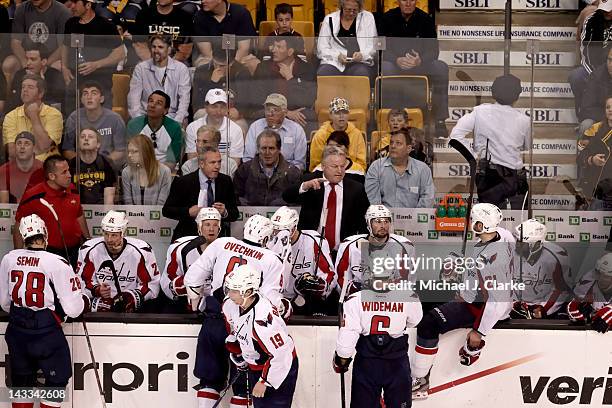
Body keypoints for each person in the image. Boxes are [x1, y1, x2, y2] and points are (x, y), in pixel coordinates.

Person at [411, 203, 514, 399]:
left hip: (480, 309)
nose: (470, 223)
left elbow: (496, 300)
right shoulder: (502, 235)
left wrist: (479, 332)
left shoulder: (493, 261)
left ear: (482, 225)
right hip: (478, 299)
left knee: (428, 323)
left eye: (474, 221)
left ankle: (420, 381)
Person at [183, 215, 285, 407]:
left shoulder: (223, 243)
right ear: (266, 237)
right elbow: (271, 302)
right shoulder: (272, 259)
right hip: (245, 324)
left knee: (208, 381)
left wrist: (197, 305)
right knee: (243, 386)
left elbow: (192, 279)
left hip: (214, 317)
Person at [0, 214, 89, 408]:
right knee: (57, 380)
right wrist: (84, 299)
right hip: (45, 333)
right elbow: (73, 310)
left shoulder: (9, 258)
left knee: (22, 382)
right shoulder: (56, 261)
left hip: (16, 330)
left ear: (23, 236)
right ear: (45, 234)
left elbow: (5, 303)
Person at [333, 258, 422, 408]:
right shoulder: (408, 297)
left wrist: (341, 359)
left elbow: (348, 336)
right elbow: (415, 321)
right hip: (397, 363)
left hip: (367, 363)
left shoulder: (355, 299)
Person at [223, 264, 299, 407]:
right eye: (229, 289)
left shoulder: (262, 320)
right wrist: (243, 350)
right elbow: (237, 327)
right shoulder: (232, 305)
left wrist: (265, 381)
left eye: (234, 291)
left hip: (280, 367)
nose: (230, 295)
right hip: (260, 365)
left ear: (248, 292)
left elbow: (282, 354)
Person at [449, 74, 530, 209]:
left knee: (490, 221)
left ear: (493, 92)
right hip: (514, 176)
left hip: (490, 175)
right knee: (518, 222)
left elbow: (455, 136)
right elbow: (526, 146)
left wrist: (474, 156)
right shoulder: (524, 120)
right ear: (517, 95)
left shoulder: (479, 112)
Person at [379, 0, 450, 137]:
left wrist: (420, 60)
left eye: (411, 0)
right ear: (398, 1)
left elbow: (433, 51)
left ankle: (440, 120)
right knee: (385, 67)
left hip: (419, 65)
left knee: (441, 68)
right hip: (395, 64)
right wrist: (396, 59)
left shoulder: (426, 19)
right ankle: (385, 117)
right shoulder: (386, 18)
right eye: (404, 0)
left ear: (416, 1)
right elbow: (379, 48)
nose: (408, 3)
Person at [283, 145, 370, 251]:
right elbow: (286, 196)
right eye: (335, 166)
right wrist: (304, 186)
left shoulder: (356, 189)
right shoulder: (310, 181)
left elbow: (364, 224)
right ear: (323, 166)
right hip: (311, 249)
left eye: (342, 166)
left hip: (344, 251)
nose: (339, 171)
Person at [15, 155, 91, 267]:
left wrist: (88, 243)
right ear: (51, 176)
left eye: (69, 171)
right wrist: (18, 255)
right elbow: (19, 226)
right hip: (48, 254)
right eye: (64, 172)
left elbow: (79, 215)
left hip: (74, 252)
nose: (69, 175)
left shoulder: (73, 189)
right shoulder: (33, 196)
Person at [77, 210, 161, 313]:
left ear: (123, 233)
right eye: (106, 234)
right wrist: (96, 290)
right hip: (100, 303)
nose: (109, 239)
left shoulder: (142, 251)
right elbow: (81, 281)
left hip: (132, 306)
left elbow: (151, 284)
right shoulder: (88, 249)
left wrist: (131, 297)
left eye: (114, 235)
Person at [267, 206, 336, 315]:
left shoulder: (313, 240)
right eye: (275, 229)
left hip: (305, 300)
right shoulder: (269, 243)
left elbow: (329, 274)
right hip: (277, 300)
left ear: (293, 228)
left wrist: (319, 286)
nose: (277, 233)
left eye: (282, 230)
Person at [163, 146, 240, 240]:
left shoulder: (225, 181)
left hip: (216, 240)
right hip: (188, 237)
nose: (217, 166)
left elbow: (235, 214)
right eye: (212, 162)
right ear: (201, 164)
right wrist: (188, 212)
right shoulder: (183, 182)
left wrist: (224, 212)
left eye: (219, 162)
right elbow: (167, 210)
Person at [61, 0, 126, 108]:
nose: (72, 6)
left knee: (101, 123)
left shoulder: (106, 26)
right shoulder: (70, 23)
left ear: (88, 5)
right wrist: (64, 67)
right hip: (75, 83)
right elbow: (65, 46)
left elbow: (120, 53)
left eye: (76, 3)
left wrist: (96, 65)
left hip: (100, 84)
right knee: (72, 121)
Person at [335, 204, 416, 291]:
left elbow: (408, 282)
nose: (383, 226)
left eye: (386, 221)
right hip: (358, 298)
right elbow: (340, 280)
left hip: (392, 298)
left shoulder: (404, 245)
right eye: (378, 221)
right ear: (368, 223)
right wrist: (357, 288)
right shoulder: (349, 244)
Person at [161, 207, 222, 313]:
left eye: (215, 225)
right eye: (207, 224)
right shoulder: (180, 248)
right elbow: (167, 282)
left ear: (219, 228)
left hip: (215, 306)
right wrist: (183, 286)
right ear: (199, 226)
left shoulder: (227, 251)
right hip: (184, 303)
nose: (211, 229)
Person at [510, 219, 571, 320]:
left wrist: (544, 308)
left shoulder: (556, 257)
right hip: (516, 308)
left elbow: (561, 289)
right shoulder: (510, 253)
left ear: (535, 244)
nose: (517, 244)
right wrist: (513, 304)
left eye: (522, 242)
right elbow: (503, 284)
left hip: (545, 308)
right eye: (517, 240)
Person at [61, 81, 127, 169]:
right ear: (81, 100)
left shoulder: (115, 119)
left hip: (108, 167)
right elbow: (67, 151)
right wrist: (85, 163)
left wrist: (101, 164)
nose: (89, 97)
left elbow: (121, 151)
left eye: (94, 93)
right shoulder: (74, 118)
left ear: (102, 99)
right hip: (81, 167)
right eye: (85, 94)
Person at [253, 36, 315, 130]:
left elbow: (308, 100)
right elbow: (258, 99)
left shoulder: (306, 69)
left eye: (279, 47)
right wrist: (286, 112)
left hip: (297, 112)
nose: (273, 50)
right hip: (271, 110)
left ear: (290, 52)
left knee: (308, 116)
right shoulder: (263, 68)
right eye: (274, 46)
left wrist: (290, 79)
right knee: (259, 114)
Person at [128, 34, 191, 125]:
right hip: (146, 115)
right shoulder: (141, 68)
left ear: (169, 49)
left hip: (171, 116)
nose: (156, 50)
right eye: (154, 47)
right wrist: (139, 120)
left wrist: (177, 121)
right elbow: (133, 99)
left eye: (160, 47)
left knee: (183, 121)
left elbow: (184, 99)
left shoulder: (181, 69)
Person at [365, 127, 435, 208]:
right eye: (391, 143)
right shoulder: (376, 167)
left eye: (398, 143)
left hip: (414, 219)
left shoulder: (423, 169)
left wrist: (414, 218)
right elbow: (372, 200)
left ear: (408, 149)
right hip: (384, 218)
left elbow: (427, 199)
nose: (393, 146)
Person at [4, 0, 71, 85]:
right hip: (27, 56)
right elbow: (15, 42)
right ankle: (10, 96)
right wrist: (26, 63)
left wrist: (44, 64)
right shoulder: (21, 9)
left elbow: (63, 46)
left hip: (49, 58)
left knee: (59, 66)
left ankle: (53, 96)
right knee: (9, 64)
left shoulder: (62, 12)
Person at [3, 74, 63, 161]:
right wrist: (38, 150)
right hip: (21, 166)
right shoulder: (11, 116)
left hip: (47, 167)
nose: (25, 90)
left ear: (41, 93)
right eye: (23, 87)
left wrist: (34, 117)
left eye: (30, 87)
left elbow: (44, 145)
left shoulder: (54, 114)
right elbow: (12, 151)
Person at [234, 129, 302, 206]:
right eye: (263, 148)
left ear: (279, 149)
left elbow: (297, 202)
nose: (267, 153)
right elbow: (235, 198)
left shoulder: (293, 173)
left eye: (271, 148)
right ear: (258, 149)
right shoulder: (244, 170)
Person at [569, 0, 612, 118]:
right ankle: (583, 117)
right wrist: (595, 74)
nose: (607, 13)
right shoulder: (592, 20)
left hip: (609, 64)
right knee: (576, 76)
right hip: (596, 67)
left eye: (609, 10)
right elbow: (586, 52)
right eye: (604, 10)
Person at [244, 93, 307, 170]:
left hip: (287, 175)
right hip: (258, 173)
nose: (270, 114)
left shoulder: (296, 130)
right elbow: (248, 159)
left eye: (275, 110)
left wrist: (284, 174)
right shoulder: (255, 127)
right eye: (268, 110)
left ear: (285, 112)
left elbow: (300, 163)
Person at [185, 88, 245, 167]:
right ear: (206, 107)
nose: (218, 111)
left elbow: (234, 165)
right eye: (214, 106)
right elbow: (192, 161)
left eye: (222, 107)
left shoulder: (236, 130)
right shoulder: (192, 128)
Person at [317, 0, 377, 77]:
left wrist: (362, 55)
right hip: (334, 62)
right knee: (324, 73)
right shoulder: (329, 19)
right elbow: (322, 48)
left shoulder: (368, 17)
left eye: (355, 10)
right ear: (342, 6)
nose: (351, 13)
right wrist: (337, 56)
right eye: (348, 10)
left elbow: (373, 45)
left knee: (361, 73)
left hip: (360, 63)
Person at [127, 90, 183, 170]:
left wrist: (155, 173)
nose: (152, 105)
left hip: (166, 171)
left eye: (158, 103)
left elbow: (171, 161)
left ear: (165, 110)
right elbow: (130, 156)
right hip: (139, 169)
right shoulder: (134, 125)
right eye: (150, 101)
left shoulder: (174, 128)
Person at [309, 97, 366, 175]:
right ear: (330, 115)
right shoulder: (320, 135)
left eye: (344, 112)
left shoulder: (357, 134)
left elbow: (362, 164)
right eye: (337, 113)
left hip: (351, 173)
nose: (341, 116)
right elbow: (315, 164)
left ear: (348, 114)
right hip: (326, 175)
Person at [191, 0, 257, 67]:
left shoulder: (241, 13)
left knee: (252, 62)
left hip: (238, 60)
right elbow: (207, 54)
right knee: (202, 62)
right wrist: (219, 69)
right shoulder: (200, 16)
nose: (203, 1)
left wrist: (231, 68)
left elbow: (243, 49)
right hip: (213, 62)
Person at [7, 43, 65, 113]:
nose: (28, 63)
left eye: (33, 59)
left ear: (44, 62)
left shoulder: (55, 76)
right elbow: (12, 104)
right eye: (27, 59)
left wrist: (42, 84)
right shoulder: (20, 75)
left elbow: (56, 106)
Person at [132, 0, 193, 64]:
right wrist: (155, 62)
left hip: (176, 62)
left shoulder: (185, 17)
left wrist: (166, 64)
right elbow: (139, 45)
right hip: (148, 60)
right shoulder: (143, 15)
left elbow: (185, 52)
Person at [577, 95, 612, 209]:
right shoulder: (595, 130)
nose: (610, 110)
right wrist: (592, 160)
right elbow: (581, 156)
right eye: (608, 107)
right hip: (599, 188)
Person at [68, 127, 117, 205]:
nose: (86, 139)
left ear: (98, 144)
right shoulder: (71, 164)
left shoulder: (106, 163)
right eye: (82, 137)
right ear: (78, 144)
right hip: (77, 209)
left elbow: (109, 198)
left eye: (90, 137)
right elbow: (68, 195)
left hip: (100, 210)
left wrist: (106, 216)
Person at [567, 252, 612, 333]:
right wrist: (576, 310)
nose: (599, 278)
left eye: (605, 276)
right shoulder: (588, 281)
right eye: (598, 273)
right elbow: (572, 304)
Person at [121, 134, 172, 205]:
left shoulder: (165, 172)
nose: (129, 155)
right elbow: (128, 202)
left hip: (157, 214)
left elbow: (161, 204)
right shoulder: (126, 172)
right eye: (129, 151)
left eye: (134, 151)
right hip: (133, 214)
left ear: (146, 151)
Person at [0, 131, 43, 203]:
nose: (22, 147)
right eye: (19, 143)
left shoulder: (43, 168)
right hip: (14, 212)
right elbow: (4, 205)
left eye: (27, 143)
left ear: (34, 148)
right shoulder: (4, 170)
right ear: (15, 147)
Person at [578, 47, 612, 136]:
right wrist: (607, 117)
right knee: (586, 125)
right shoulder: (597, 76)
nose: (611, 64)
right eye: (610, 60)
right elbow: (586, 108)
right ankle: (583, 150)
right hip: (601, 118)